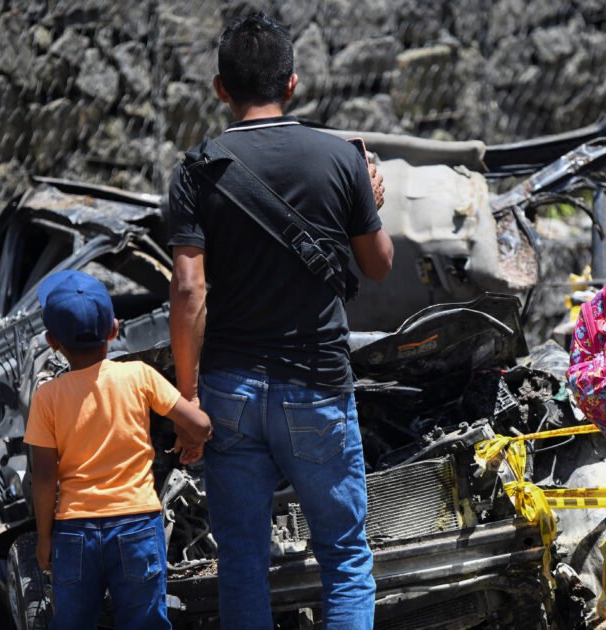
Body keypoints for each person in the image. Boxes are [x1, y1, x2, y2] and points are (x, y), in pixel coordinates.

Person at [166, 11, 393, 629]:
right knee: (344, 558)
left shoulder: (196, 169)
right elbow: (378, 266)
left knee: (241, 562)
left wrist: (187, 399)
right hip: (317, 386)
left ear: (220, 88)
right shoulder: (339, 157)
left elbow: (188, 289)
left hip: (229, 392)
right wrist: (372, 202)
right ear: (292, 83)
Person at [24, 269, 212, 630]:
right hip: (136, 527)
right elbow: (201, 425)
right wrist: (190, 440)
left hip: (74, 534)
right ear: (114, 330)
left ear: (51, 342)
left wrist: (45, 539)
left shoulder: (46, 398)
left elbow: (44, 478)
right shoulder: (139, 375)